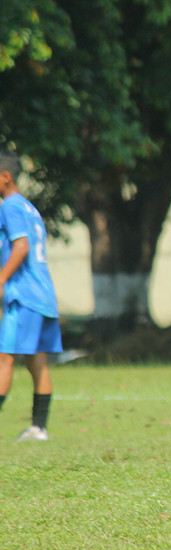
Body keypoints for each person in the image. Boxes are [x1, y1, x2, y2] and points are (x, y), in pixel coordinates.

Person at [0, 150, 62, 441]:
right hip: (44, 294)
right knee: (36, 361)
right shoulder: (29, 208)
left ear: (5, 177)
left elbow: (21, 246)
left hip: (25, 295)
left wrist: (1, 278)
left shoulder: (10, 206)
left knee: (4, 358)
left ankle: (38, 428)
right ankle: (39, 428)